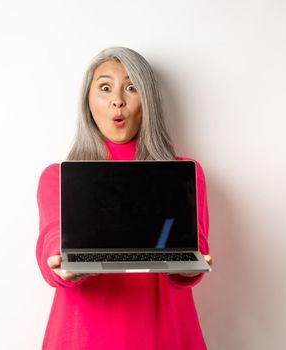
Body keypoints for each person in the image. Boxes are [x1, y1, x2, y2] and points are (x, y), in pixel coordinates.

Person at [36, 47, 212, 349]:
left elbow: (195, 245)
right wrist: (62, 261)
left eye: (131, 87)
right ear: (88, 102)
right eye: (105, 88)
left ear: (148, 101)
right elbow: (52, 237)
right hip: (83, 337)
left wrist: (188, 266)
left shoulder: (185, 173)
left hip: (163, 336)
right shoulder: (57, 177)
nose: (117, 100)